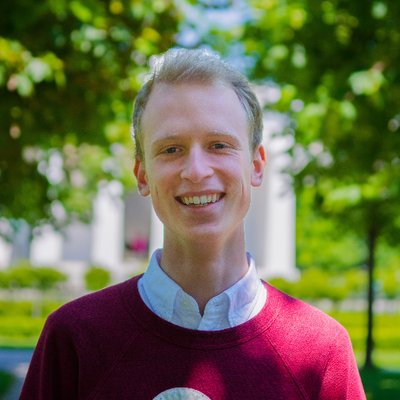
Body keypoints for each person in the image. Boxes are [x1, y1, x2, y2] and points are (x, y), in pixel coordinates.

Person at [20, 48, 365, 399]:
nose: (197, 171)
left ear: (257, 165)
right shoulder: (74, 340)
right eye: (171, 149)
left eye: (219, 145)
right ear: (142, 175)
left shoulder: (321, 352)